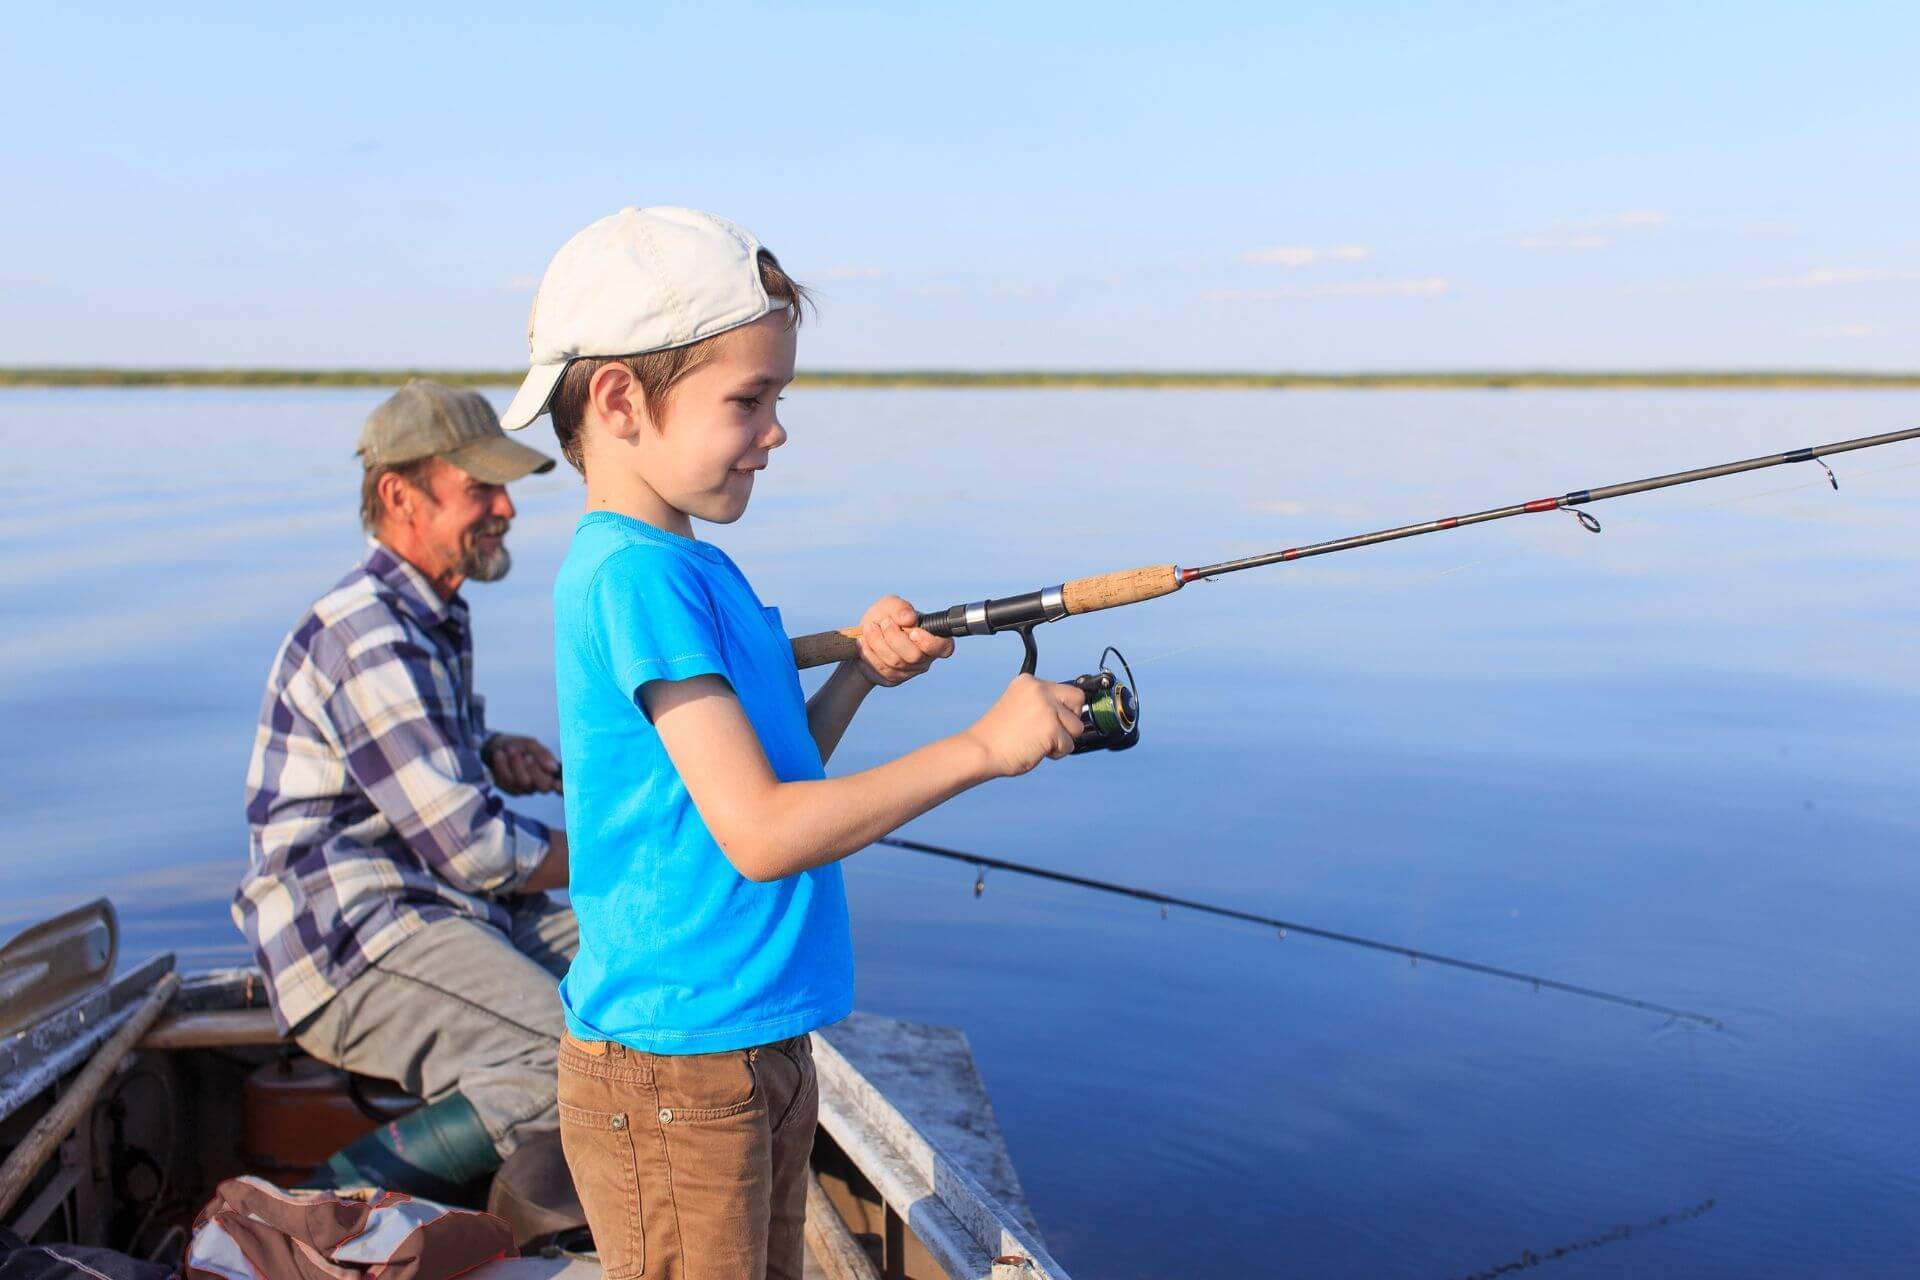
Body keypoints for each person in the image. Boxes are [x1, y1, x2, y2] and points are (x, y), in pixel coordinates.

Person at [498, 206, 1087, 1279]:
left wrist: (859, 667)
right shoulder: (633, 577)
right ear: (623, 399)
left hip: (753, 1041)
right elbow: (765, 834)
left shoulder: (692, 564)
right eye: (749, 400)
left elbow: (770, 781)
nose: (776, 430)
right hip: (678, 1069)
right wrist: (981, 747)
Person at [236, 379, 574, 1199]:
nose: (507, 508)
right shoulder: (372, 632)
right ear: (400, 496)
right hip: (350, 939)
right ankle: (311, 1209)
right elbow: (478, 847)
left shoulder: (425, 614)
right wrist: (626, 850)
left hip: (435, 902)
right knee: (574, 1063)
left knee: (650, 971)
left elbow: (406, 763)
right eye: (480, 488)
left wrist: (489, 751)